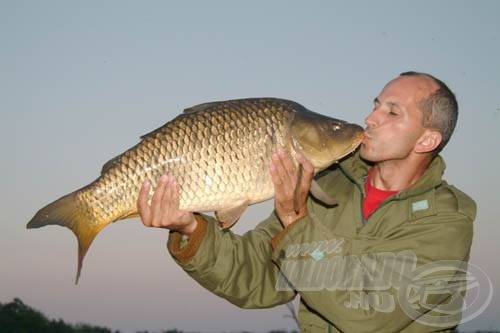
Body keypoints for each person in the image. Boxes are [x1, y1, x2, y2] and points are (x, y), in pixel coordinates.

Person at [137, 72, 476, 332]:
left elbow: (369, 315)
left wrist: (297, 226)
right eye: (375, 105)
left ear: (427, 138)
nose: (371, 118)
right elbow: (257, 278)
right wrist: (191, 229)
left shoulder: (446, 219)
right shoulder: (326, 188)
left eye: (392, 112)